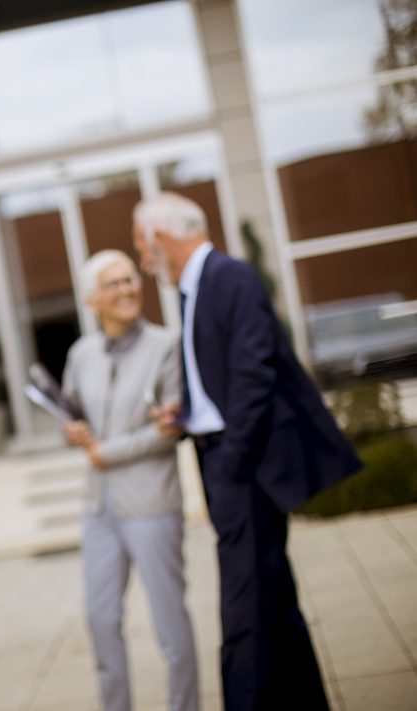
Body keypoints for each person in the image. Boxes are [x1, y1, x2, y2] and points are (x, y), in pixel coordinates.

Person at [131, 193, 361, 711]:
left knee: (242, 610)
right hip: (223, 458)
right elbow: (220, 374)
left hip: (242, 467)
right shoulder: (196, 290)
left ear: (163, 239)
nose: (145, 262)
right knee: (273, 597)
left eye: (142, 248)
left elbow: (253, 376)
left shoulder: (228, 278)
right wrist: (186, 412)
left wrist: (231, 463)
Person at [60, 249, 199, 711]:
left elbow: (170, 429)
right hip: (99, 507)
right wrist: (74, 433)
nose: (126, 289)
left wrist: (106, 451)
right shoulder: (81, 354)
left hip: (152, 504)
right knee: (100, 619)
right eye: (113, 284)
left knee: (170, 626)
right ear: (91, 301)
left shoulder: (167, 345)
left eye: (130, 279)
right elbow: (74, 418)